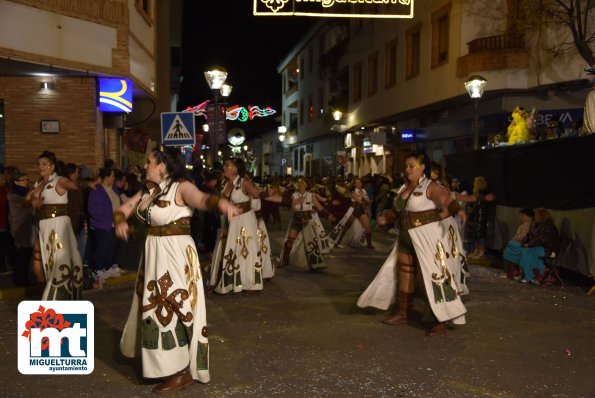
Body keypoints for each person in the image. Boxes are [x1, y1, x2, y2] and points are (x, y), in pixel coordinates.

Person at [116, 145, 239, 394]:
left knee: (173, 306)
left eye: (150, 162)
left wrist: (222, 205)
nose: (145, 166)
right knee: (154, 306)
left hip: (175, 253)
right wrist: (120, 222)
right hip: (153, 253)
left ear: (163, 166)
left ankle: (181, 371)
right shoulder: (147, 191)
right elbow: (122, 210)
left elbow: (202, 199)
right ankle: (162, 365)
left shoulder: (181, 187)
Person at [357, 151, 468, 336]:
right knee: (405, 274)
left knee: (432, 276)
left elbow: (445, 200)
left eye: (412, 166)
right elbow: (396, 211)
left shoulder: (431, 187)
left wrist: (457, 209)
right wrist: (386, 218)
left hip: (428, 239)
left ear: (423, 167)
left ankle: (440, 320)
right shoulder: (402, 189)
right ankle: (403, 313)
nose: (407, 169)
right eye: (406, 166)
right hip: (406, 237)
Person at [27, 150, 83, 300]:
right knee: (39, 259)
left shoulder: (58, 180)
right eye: (39, 164)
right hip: (42, 225)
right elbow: (25, 201)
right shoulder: (38, 183)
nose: (41, 167)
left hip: (57, 224)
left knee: (57, 259)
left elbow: (73, 185)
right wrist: (32, 201)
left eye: (44, 164)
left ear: (52, 166)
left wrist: (76, 183)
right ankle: (44, 290)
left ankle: (57, 294)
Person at [209, 158, 265, 295]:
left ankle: (252, 285)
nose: (224, 167)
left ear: (235, 168)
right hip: (230, 221)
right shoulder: (225, 183)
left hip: (245, 220)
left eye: (227, 165)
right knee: (230, 249)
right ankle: (229, 282)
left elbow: (257, 196)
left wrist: (249, 210)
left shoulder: (244, 183)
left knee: (247, 250)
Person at [278, 176, 329, 271]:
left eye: (302, 182)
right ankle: (285, 261)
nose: (300, 184)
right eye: (298, 182)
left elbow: (319, 206)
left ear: (306, 184)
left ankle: (315, 262)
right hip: (297, 218)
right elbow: (293, 208)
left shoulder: (311, 195)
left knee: (311, 241)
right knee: (290, 240)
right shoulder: (294, 195)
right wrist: (299, 217)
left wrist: (328, 215)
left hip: (308, 220)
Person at [509, 208, 560, 284]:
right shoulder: (535, 225)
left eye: (537, 215)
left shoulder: (549, 226)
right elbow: (528, 236)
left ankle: (530, 276)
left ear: (542, 216)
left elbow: (542, 239)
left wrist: (529, 245)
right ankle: (522, 273)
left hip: (549, 250)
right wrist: (522, 244)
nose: (535, 217)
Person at [87, 167, 121, 281]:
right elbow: (92, 208)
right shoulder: (97, 190)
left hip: (114, 223)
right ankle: (98, 269)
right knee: (102, 247)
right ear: (106, 177)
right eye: (112, 176)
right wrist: (100, 218)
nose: (114, 178)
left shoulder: (114, 188)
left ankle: (107, 267)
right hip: (102, 224)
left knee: (111, 246)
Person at [7, 171, 35, 285]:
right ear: (16, 182)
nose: (26, 182)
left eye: (27, 180)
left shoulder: (25, 193)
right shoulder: (14, 196)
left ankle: (23, 278)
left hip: (28, 229)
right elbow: (25, 204)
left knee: (26, 256)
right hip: (20, 229)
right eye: (24, 180)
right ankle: (20, 279)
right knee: (22, 256)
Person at [465, 176, 496, 259]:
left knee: (480, 234)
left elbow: (481, 204)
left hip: (482, 217)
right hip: (477, 216)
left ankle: (481, 251)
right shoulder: (480, 194)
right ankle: (477, 250)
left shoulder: (483, 193)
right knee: (476, 233)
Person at [502, 207, 534, 279]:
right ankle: (510, 271)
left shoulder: (527, 224)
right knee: (508, 249)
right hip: (521, 244)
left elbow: (522, 236)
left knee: (509, 249)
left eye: (523, 215)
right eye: (520, 215)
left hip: (524, 245)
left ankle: (508, 271)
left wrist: (514, 240)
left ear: (529, 216)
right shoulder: (523, 224)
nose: (520, 217)